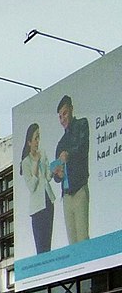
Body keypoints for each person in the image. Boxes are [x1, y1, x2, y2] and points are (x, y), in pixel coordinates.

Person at [51, 95, 90, 244]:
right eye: (60, 117)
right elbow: (56, 175)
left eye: (65, 114)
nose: (63, 119)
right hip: (66, 195)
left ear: (72, 110)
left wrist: (69, 155)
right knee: (72, 242)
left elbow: (83, 147)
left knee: (82, 238)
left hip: (80, 189)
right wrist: (58, 174)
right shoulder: (60, 142)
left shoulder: (82, 124)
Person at [20, 122, 56, 254]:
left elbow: (47, 176)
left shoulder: (43, 153)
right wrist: (35, 162)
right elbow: (32, 186)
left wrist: (53, 168)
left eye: (39, 137)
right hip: (37, 208)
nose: (37, 141)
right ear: (29, 142)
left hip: (48, 202)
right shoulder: (26, 162)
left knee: (48, 243)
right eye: (35, 138)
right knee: (41, 247)